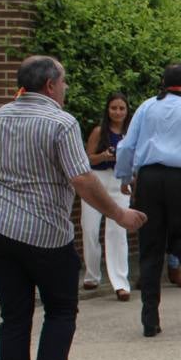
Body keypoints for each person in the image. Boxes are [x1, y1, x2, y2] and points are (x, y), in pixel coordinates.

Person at [0, 56, 146, 360]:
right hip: (47, 234)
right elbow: (82, 179)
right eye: (63, 83)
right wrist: (119, 215)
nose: (65, 89)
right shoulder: (62, 123)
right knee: (60, 312)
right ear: (50, 85)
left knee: (13, 318)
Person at [114, 63, 181, 337]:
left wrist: (125, 176)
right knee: (180, 233)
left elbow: (126, 145)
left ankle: (150, 319)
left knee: (150, 246)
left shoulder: (147, 107)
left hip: (149, 178)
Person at [81, 92, 133, 300]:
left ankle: (121, 282)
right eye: (114, 108)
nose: (118, 112)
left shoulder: (131, 134)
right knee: (90, 228)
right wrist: (102, 156)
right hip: (97, 181)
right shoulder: (98, 132)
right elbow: (87, 160)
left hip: (120, 182)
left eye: (121, 108)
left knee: (118, 231)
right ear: (107, 110)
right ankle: (92, 275)